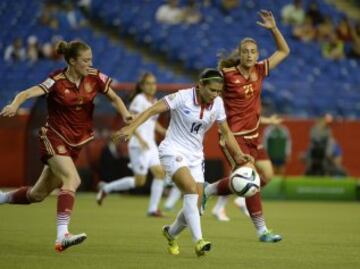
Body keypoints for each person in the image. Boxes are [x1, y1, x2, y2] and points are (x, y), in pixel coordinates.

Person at [0, 40, 132, 252]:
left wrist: (126, 114)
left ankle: (2, 197)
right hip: (53, 137)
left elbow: (115, 98)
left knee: (37, 195)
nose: (90, 63)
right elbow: (26, 93)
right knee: (73, 179)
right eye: (85, 60)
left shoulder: (95, 76)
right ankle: (62, 235)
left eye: (91, 59)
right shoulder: (56, 81)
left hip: (75, 142)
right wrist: (15, 104)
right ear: (71, 61)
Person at [113, 68, 252, 256]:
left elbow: (226, 132)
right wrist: (131, 128)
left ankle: (170, 233)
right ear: (200, 85)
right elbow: (154, 109)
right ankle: (199, 241)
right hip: (172, 150)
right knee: (190, 190)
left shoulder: (218, 103)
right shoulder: (182, 97)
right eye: (212, 90)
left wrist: (239, 155)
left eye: (219, 91)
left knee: (197, 208)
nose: (216, 95)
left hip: (196, 156)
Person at [204, 10, 290, 242]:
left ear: (257, 54)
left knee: (267, 176)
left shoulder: (261, 70)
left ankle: (210, 190)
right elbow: (206, 89)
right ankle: (262, 231)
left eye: (253, 52)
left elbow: (284, 51)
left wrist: (273, 29)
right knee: (251, 180)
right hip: (235, 137)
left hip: (254, 135)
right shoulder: (227, 75)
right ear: (240, 55)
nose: (250, 55)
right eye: (245, 52)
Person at [96, 72, 167, 217]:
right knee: (139, 181)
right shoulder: (139, 100)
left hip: (150, 144)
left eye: (154, 83)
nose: (152, 86)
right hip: (138, 144)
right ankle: (106, 188)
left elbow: (152, 122)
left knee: (160, 173)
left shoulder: (154, 101)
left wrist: (165, 131)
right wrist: (140, 139)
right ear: (142, 86)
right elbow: (130, 121)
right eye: (148, 83)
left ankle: (153, 209)